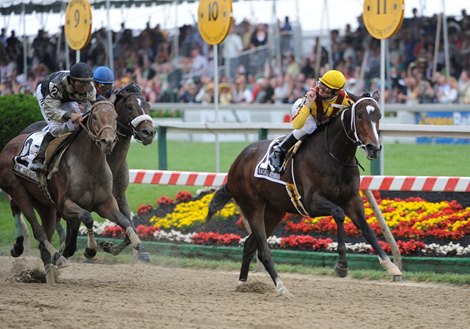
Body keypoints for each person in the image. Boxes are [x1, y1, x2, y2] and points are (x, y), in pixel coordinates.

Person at [269, 69, 354, 173]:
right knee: (310, 126)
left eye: (325, 90)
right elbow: (297, 124)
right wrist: (308, 104)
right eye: (320, 85)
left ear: (336, 92)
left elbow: (359, 104)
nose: (320, 91)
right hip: (304, 111)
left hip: (321, 117)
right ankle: (279, 151)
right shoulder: (311, 96)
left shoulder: (344, 99)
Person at [30, 62, 96, 172]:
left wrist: (86, 115)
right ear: (72, 81)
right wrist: (69, 115)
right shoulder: (56, 85)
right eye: (80, 84)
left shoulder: (89, 86)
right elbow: (51, 110)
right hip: (48, 97)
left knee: (77, 126)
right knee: (57, 128)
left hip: (67, 97)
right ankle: (39, 159)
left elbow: (91, 105)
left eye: (86, 84)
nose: (84, 88)